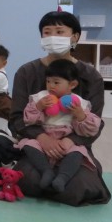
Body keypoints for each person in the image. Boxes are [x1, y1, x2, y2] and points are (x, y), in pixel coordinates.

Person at [10, 11, 110, 206]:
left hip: (73, 147)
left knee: (81, 187)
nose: (52, 37)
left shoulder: (91, 76)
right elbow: (16, 118)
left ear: (75, 37)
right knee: (28, 179)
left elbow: (96, 122)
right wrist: (43, 138)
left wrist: (70, 141)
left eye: (59, 31)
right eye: (47, 32)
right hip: (37, 143)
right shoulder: (26, 72)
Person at [16, 59, 100, 193]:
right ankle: (46, 171)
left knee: (78, 151)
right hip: (44, 135)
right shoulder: (41, 97)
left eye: (56, 82)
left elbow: (92, 128)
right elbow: (28, 119)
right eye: (48, 81)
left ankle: (62, 177)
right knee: (29, 144)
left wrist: (80, 115)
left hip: (66, 138)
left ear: (72, 84)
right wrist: (39, 106)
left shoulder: (78, 103)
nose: (51, 86)